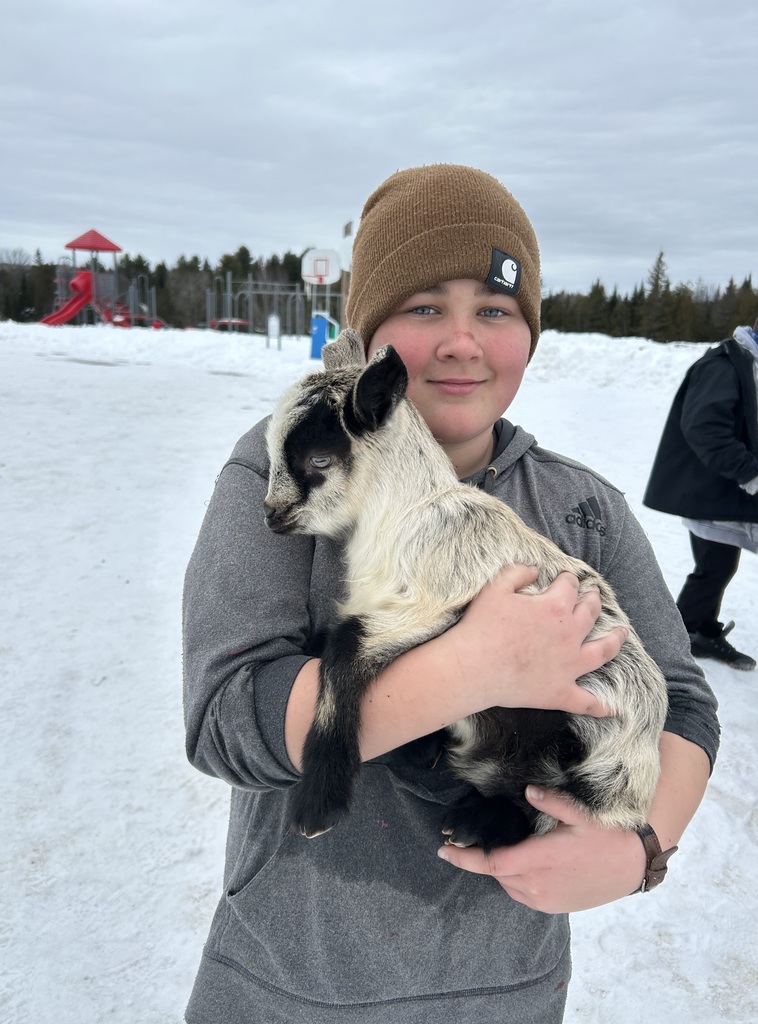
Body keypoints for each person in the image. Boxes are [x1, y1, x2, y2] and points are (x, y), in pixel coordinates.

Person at [183, 164, 720, 1024]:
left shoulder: (581, 509)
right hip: (290, 989)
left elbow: (684, 703)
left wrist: (639, 850)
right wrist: (472, 667)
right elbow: (223, 721)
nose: (462, 343)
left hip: (505, 995)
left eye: (495, 311)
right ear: (368, 342)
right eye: (425, 307)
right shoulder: (284, 475)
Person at [644, 310, 758, 671]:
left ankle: (702, 631)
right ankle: (670, 650)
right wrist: (749, 471)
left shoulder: (757, 364)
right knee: (713, 568)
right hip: (715, 488)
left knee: (718, 566)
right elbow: (703, 426)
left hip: (731, 490)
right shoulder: (726, 363)